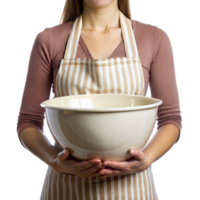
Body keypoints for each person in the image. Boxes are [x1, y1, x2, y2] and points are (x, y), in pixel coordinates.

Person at [16, 0, 183, 199]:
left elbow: (170, 119)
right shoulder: (49, 39)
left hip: (132, 188)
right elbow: (28, 122)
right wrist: (55, 162)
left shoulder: (154, 38)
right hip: (66, 187)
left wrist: (145, 160)